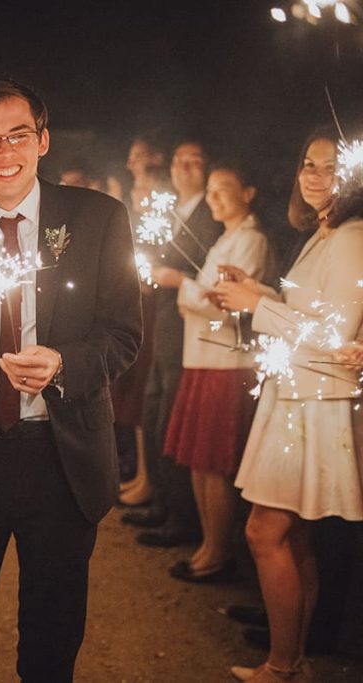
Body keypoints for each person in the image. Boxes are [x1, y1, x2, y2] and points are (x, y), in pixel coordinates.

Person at [0, 78, 142, 682]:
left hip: (61, 458)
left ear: (43, 140)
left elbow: (123, 336)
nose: (3, 151)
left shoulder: (99, 219)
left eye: (17, 135)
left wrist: (63, 364)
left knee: (51, 641)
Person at [217, 131, 363, 683]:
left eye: (330, 168)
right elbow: (310, 314)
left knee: (265, 533)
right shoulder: (324, 233)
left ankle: (282, 666)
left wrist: (258, 305)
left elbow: (337, 334)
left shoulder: (352, 234)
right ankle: (292, 660)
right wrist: (261, 292)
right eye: (308, 164)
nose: (315, 176)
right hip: (297, 395)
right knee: (292, 535)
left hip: (316, 402)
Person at [154, 162, 272, 582]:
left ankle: (218, 551)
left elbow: (225, 300)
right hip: (203, 357)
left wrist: (178, 284)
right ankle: (209, 544)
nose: (215, 198)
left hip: (227, 361)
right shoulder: (226, 240)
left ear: (249, 192)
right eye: (212, 191)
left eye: (225, 189)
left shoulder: (252, 241)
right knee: (198, 462)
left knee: (214, 461)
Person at [124, 139, 225, 546]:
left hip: (191, 334)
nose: (184, 168)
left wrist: (171, 276)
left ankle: (183, 518)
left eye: (194, 161)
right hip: (163, 325)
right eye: (179, 160)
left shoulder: (210, 215)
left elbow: (201, 273)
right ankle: (163, 503)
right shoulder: (169, 210)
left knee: (172, 420)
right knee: (154, 414)